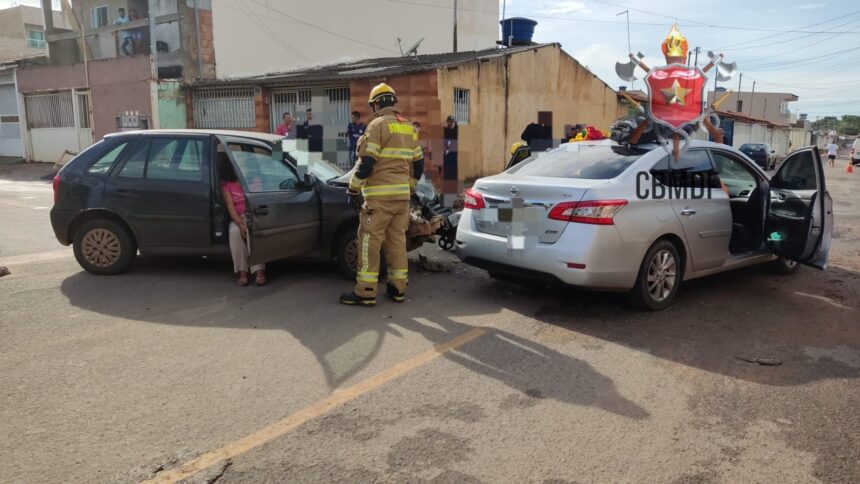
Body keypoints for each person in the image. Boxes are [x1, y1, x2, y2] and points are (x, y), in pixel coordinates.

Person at [340, 83, 423, 307]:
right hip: (401, 198)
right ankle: (398, 288)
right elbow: (420, 162)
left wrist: (353, 189)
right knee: (396, 242)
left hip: (378, 198)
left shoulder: (376, 125)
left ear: (376, 104)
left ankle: (365, 291)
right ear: (393, 102)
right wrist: (411, 186)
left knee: (369, 242)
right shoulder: (408, 128)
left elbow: (367, 162)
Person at [218, 153, 266, 286]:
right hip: (237, 218)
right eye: (238, 166)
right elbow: (230, 207)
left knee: (253, 231)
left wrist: (248, 221)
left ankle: (259, 270)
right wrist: (239, 223)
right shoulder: (227, 186)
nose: (241, 169)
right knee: (233, 232)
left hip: (253, 215)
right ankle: (242, 271)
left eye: (243, 167)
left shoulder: (255, 181)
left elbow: (256, 203)